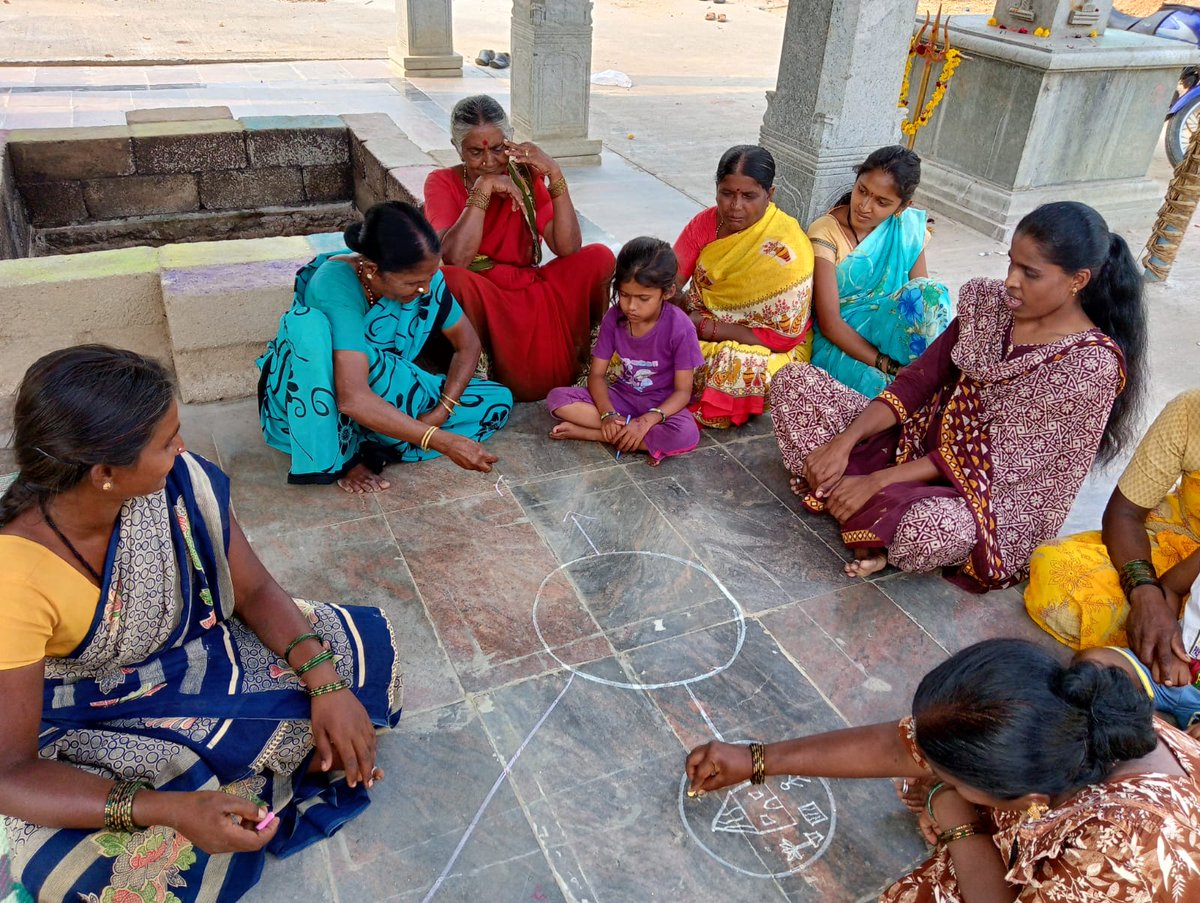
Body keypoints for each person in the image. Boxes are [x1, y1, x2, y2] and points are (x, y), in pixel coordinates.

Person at [0, 346, 403, 902]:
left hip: (197, 650)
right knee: (96, 876)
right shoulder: (13, 578)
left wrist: (325, 682)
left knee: (354, 667)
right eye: (167, 442)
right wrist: (168, 809)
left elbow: (256, 588)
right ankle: (225, 788)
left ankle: (249, 774)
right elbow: (10, 772)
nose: (183, 450)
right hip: (92, 710)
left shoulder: (178, 483)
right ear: (105, 473)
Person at [770, 201, 1146, 590]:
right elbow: (918, 379)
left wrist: (876, 482)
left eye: (1030, 273)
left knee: (933, 531)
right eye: (1011, 263)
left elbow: (989, 457)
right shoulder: (989, 306)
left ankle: (858, 505)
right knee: (794, 384)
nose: (1012, 281)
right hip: (912, 445)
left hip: (982, 496)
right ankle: (865, 515)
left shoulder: (1088, 365)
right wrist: (845, 443)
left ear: (1078, 280)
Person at [685, 639, 1200, 902]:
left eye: (949, 771)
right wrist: (757, 758)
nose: (922, 764)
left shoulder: (1125, 854)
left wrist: (955, 818)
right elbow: (900, 742)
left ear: (1025, 801)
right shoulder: (1062, 718)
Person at [257, 201, 512, 492]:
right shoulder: (334, 285)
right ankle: (348, 454)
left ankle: (385, 436)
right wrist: (440, 440)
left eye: (429, 278)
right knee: (348, 352)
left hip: (380, 391)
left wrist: (442, 410)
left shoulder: (424, 277)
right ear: (372, 269)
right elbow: (351, 397)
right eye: (414, 283)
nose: (425, 290)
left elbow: (467, 345)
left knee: (497, 399)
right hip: (327, 401)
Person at [423, 94, 616, 402]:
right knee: (450, 280)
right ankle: (481, 378)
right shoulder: (441, 182)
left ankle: (593, 365)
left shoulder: (524, 175)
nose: (488, 161)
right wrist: (483, 190)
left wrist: (554, 174)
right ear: (457, 147)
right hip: (482, 292)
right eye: (475, 152)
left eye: (498, 149)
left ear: (509, 142)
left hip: (530, 285)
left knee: (598, 257)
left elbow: (567, 247)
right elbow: (454, 258)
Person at [1026, 390, 1200, 678]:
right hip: (1168, 549)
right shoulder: (1191, 410)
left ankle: (1165, 652)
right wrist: (1146, 595)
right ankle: (1165, 648)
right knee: (1058, 570)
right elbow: (1125, 513)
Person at [672, 145, 814, 428]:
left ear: (769, 195)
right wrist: (672, 314)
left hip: (768, 348)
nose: (735, 207)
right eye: (727, 194)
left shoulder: (788, 246)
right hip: (695, 325)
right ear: (716, 190)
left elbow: (785, 336)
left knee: (739, 364)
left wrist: (707, 328)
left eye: (749, 196)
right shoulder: (706, 223)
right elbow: (670, 280)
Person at [807, 146, 953, 397]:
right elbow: (830, 323)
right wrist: (886, 365)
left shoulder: (907, 229)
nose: (864, 206)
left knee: (931, 293)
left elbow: (922, 299)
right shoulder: (826, 232)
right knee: (884, 387)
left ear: (902, 207)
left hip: (892, 331)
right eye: (862, 190)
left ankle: (931, 376)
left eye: (881, 202)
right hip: (843, 341)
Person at [545, 237, 704, 466]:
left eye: (643, 298)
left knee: (685, 434)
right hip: (623, 396)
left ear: (667, 292)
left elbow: (682, 392)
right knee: (558, 399)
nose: (631, 306)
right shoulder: (614, 317)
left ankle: (595, 434)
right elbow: (597, 375)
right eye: (625, 295)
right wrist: (607, 414)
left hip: (661, 404)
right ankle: (631, 437)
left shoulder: (680, 327)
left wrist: (647, 420)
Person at [1074, 547, 1200, 736]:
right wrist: (1169, 649)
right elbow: (1171, 587)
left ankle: (1149, 730)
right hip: (1167, 668)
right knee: (1093, 666)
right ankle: (1153, 728)